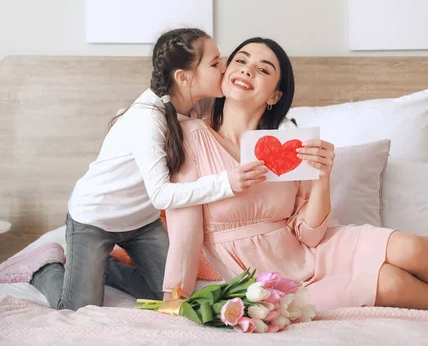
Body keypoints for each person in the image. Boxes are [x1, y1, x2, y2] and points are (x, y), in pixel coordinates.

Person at [163, 36, 428, 311]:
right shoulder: (188, 138)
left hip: (311, 249)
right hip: (254, 276)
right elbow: (183, 228)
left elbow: (310, 233)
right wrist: (173, 297)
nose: (247, 70)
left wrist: (323, 176)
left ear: (275, 95)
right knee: (393, 283)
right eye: (241, 60)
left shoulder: (287, 147)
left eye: (263, 69)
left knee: (410, 248)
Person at [0, 28, 269, 310]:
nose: (224, 68)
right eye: (215, 63)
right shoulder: (147, 119)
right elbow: (162, 196)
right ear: (184, 76)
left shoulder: (194, 108)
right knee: (77, 308)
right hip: (96, 218)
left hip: (141, 222)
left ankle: (106, 268)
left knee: (169, 295)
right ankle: (45, 268)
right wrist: (225, 183)